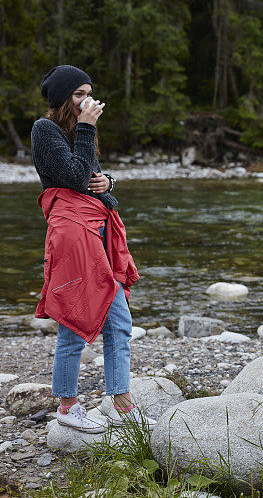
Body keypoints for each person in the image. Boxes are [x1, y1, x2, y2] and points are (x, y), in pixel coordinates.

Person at [31, 65, 155, 432]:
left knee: (118, 321)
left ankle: (122, 403)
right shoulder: (46, 129)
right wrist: (86, 128)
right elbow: (71, 177)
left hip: (97, 231)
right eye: (79, 94)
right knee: (73, 319)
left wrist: (108, 181)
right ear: (62, 98)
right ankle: (67, 406)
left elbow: (89, 178)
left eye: (89, 93)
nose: (87, 100)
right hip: (71, 234)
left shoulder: (78, 130)